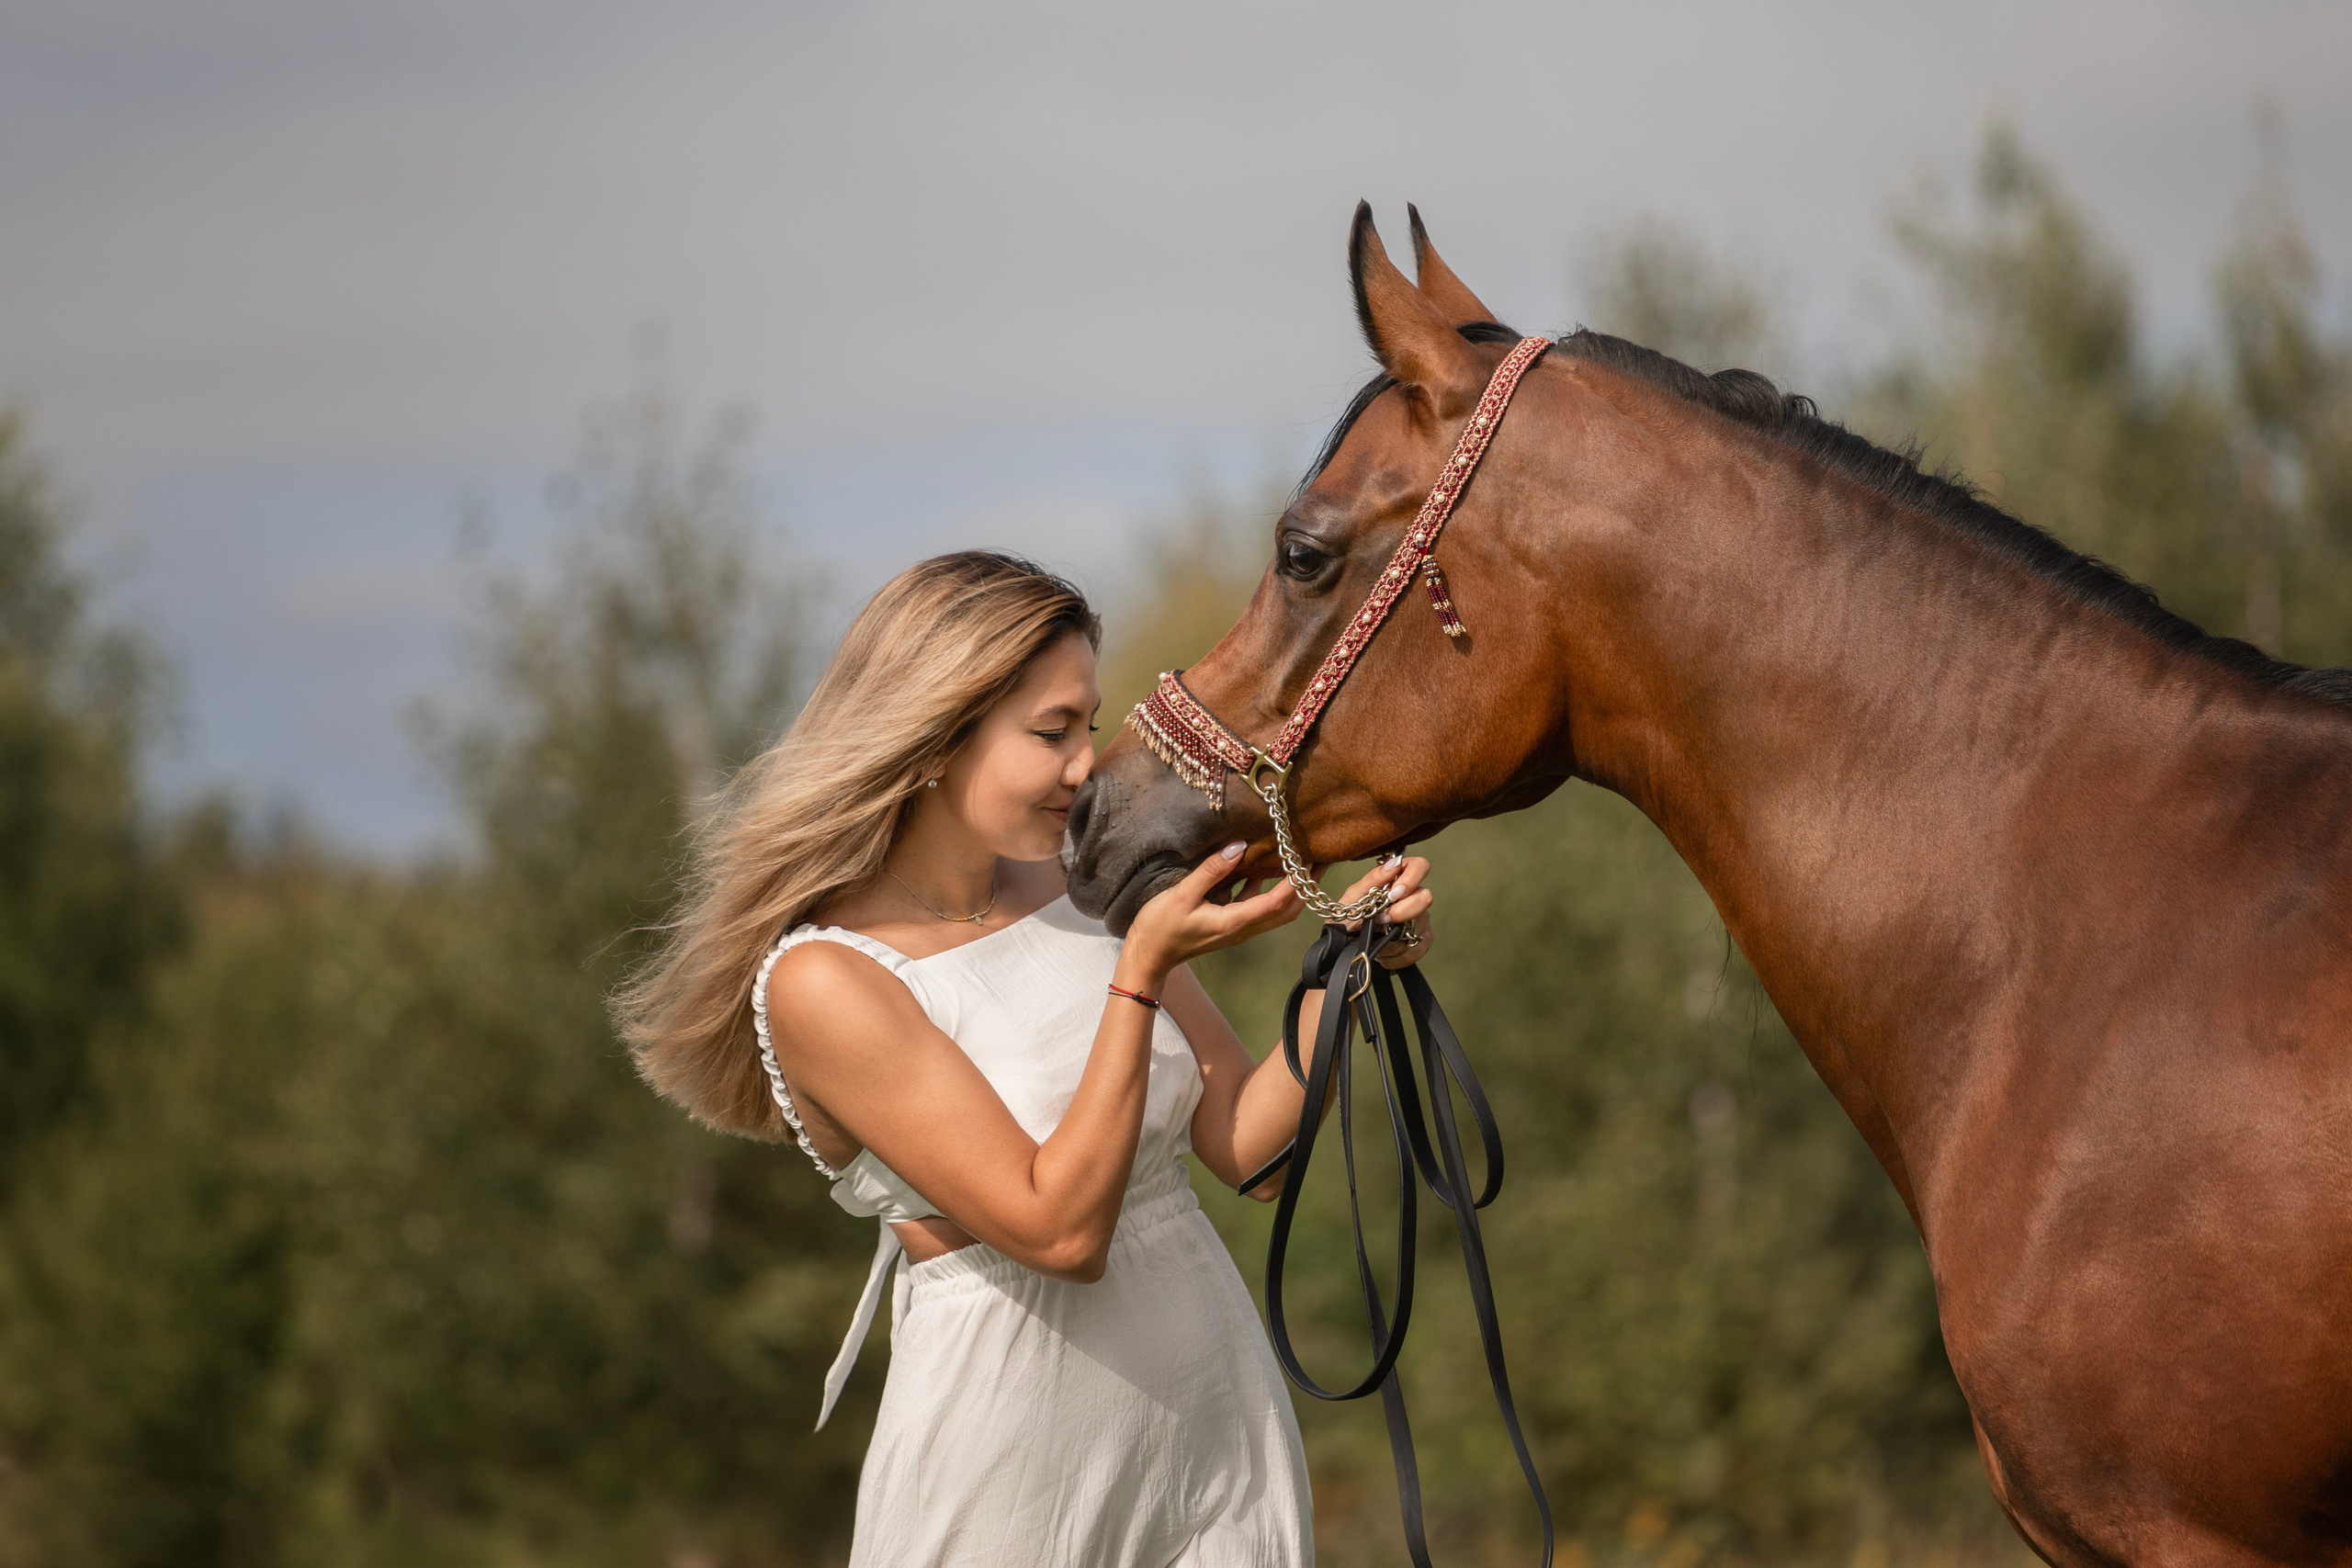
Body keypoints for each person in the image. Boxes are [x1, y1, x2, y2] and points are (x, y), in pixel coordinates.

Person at [616, 550, 1434, 1566]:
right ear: (930, 742)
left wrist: (1348, 967)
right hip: (1018, 1464)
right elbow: (1058, 1234)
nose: (1084, 764)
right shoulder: (825, 981)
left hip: (1215, 1419)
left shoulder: (1085, 890)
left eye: (1084, 727)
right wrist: (1136, 972)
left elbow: (1251, 1152)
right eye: (1050, 733)